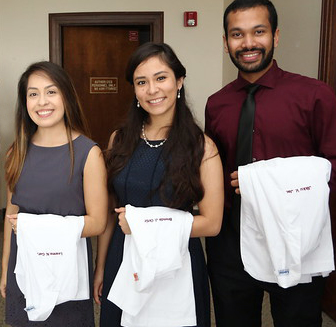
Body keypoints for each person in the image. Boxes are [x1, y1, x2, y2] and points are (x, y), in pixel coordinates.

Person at [205, 0, 336, 327]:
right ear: (225, 42)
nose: (248, 43)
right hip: (231, 243)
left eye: (259, 31)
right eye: (237, 34)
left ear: (275, 36)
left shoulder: (314, 95)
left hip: (297, 238)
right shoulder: (217, 104)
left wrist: (273, 181)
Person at [93, 42, 224, 327]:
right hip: (123, 255)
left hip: (177, 262)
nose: (152, 90)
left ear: (179, 81)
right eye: (142, 82)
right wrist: (101, 266)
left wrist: (142, 223)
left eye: (161, 78)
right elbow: (109, 214)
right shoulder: (120, 139)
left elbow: (212, 223)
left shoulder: (202, 147)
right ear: (135, 90)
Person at [0, 61, 108, 327]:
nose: (42, 102)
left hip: (67, 270)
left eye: (51, 92)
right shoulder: (16, 152)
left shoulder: (88, 153)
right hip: (23, 266)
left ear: (66, 97)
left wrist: (36, 228)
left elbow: (97, 222)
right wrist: (4, 268)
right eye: (33, 94)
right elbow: (11, 215)